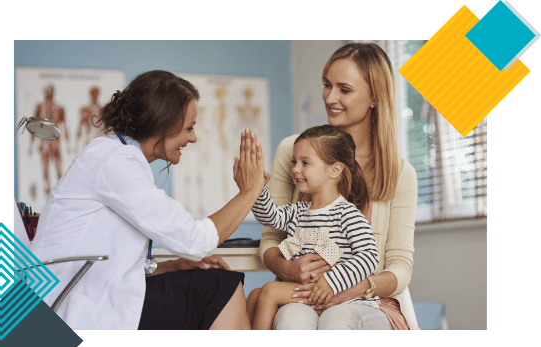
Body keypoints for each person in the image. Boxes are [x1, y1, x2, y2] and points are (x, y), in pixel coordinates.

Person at [31, 70, 267, 330]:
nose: (193, 137)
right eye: (189, 128)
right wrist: (249, 192)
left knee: (211, 281)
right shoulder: (116, 161)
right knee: (219, 286)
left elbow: (113, 263)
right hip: (69, 313)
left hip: (86, 297)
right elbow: (195, 240)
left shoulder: (113, 156)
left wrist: (172, 266)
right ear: (163, 123)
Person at [259, 43, 419, 330]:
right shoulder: (293, 152)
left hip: (368, 300)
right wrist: (286, 267)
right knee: (293, 321)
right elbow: (272, 237)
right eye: (327, 85)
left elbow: (399, 267)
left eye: (344, 89)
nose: (330, 97)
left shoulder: (400, 173)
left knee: (338, 318)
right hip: (302, 295)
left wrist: (353, 288)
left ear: (374, 97)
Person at [247, 125, 379, 330]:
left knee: (269, 291)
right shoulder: (298, 211)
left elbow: (369, 255)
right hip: (306, 289)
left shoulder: (347, 213)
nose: (295, 169)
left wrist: (331, 281)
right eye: (295, 162)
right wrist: (256, 188)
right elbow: (269, 216)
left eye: (305, 162)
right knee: (255, 296)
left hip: (334, 292)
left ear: (335, 170)